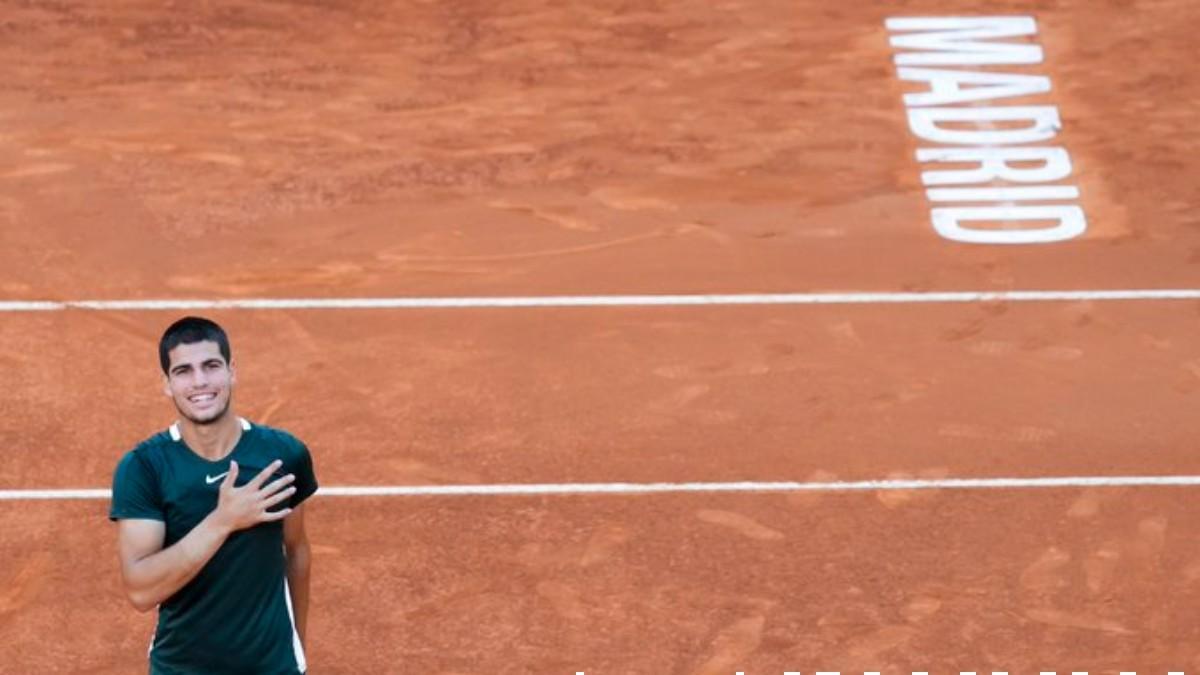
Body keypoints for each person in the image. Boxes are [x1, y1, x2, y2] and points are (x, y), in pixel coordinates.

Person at [109, 316, 318, 674]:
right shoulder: (144, 468)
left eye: (211, 366)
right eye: (184, 371)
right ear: (167, 384)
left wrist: (295, 644)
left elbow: (296, 550)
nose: (200, 381)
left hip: (273, 665)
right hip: (182, 667)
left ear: (232, 372)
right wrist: (223, 521)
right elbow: (140, 590)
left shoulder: (282, 455)